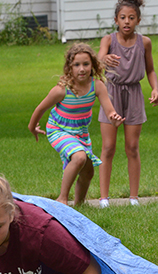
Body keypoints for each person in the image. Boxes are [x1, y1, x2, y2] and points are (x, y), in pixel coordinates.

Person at [28, 42, 124, 206]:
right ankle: (62, 199)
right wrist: (33, 127)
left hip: (80, 133)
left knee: (88, 171)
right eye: (77, 65)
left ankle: (79, 205)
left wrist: (114, 118)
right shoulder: (62, 90)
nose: (82, 69)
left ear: (92, 65)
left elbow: (109, 111)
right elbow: (40, 109)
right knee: (79, 157)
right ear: (69, 68)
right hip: (58, 130)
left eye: (86, 64)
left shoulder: (97, 86)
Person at [98, 0, 158, 208]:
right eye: (123, 17)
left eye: (131, 18)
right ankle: (104, 198)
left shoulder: (145, 43)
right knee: (108, 147)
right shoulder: (108, 40)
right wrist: (104, 59)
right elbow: (97, 62)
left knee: (132, 147)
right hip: (111, 95)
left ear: (138, 21)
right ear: (116, 20)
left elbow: (150, 70)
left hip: (134, 94)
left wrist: (155, 88)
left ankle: (134, 197)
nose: (127, 21)